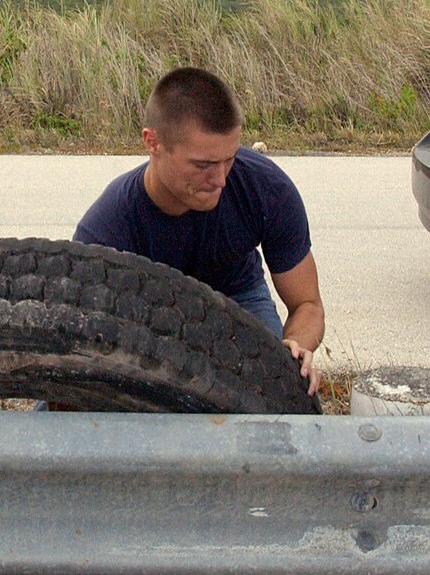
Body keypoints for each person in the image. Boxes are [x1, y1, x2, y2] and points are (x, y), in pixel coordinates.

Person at [74, 67, 324, 395]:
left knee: (279, 391)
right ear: (153, 143)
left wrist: (296, 347)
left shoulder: (265, 187)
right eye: (203, 165)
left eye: (229, 159)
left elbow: (308, 305)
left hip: (238, 296)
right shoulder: (107, 229)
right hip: (146, 318)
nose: (221, 180)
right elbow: (81, 340)